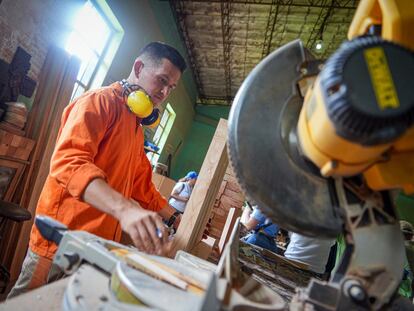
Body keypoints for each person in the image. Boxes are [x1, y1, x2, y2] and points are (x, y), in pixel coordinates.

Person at [8, 42, 187, 298]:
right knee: (28, 304)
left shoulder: (136, 128)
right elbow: (70, 162)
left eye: (171, 87)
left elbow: (141, 186)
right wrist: (125, 210)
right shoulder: (98, 102)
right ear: (138, 67)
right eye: (162, 80)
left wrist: (174, 217)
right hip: (61, 239)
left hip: (95, 247)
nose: (164, 92)